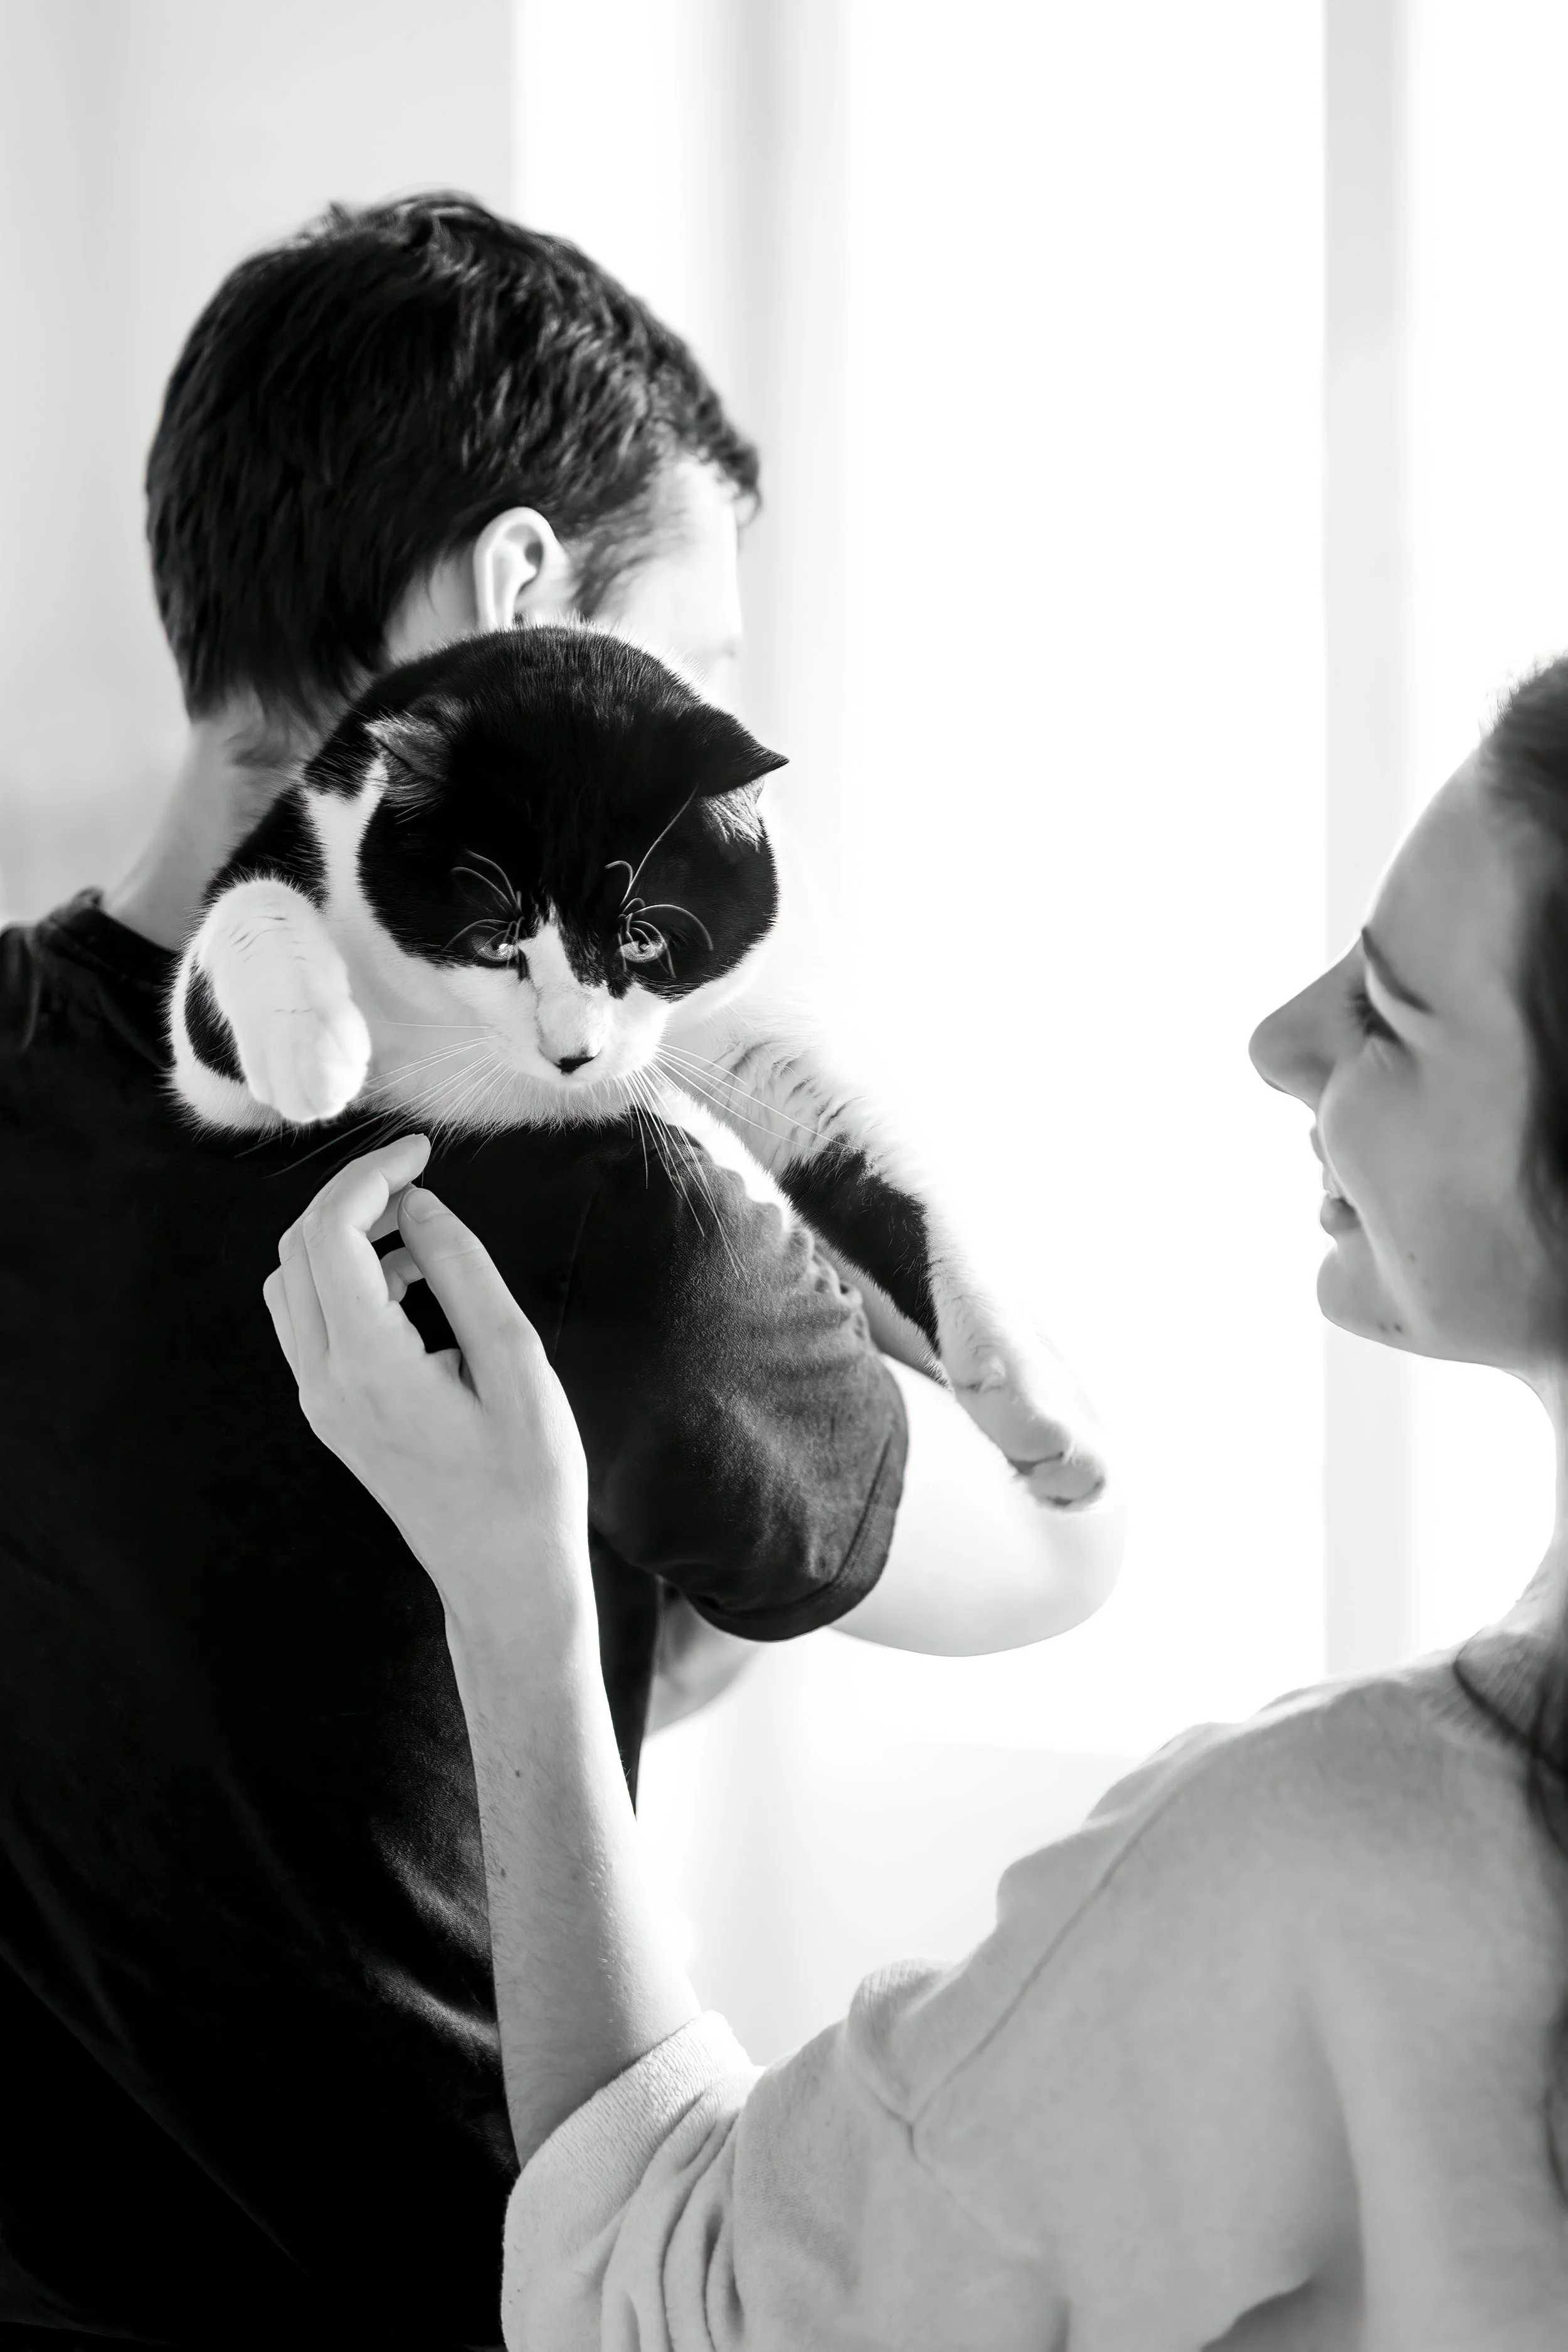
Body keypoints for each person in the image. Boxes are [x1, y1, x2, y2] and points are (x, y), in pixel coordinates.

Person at [0, 196, 1117, 2346]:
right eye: (688, 678)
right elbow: (1056, 1555)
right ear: (522, 596)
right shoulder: (610, 1220)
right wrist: (913, 1245)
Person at [270, 659, 1568, 2347]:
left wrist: (517, 1595)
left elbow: (649, 2301)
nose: (1276, 1039)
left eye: (1390, 1015)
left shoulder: (1328, 1865)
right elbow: (1045, 1528)